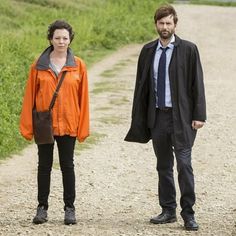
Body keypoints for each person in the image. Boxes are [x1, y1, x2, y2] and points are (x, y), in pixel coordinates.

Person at [125, 5, 206, 231]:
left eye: (169, 23)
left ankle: (188, 214)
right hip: (158, 117)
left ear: (175, 25)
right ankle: (168, 210)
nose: (165, 27)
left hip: (182, 118)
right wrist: (140, 118)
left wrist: (199, 115)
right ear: (156, 25)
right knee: (163, 166)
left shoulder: (189, 50)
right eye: (161, 23)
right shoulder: (148, 51)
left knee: (184, 165)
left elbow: (197, 83)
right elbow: (141, 87)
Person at [20, 20, 89, 225]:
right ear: (50, 39)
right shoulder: (38, 65)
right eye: (57, 37)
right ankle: (42, 208)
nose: (61, 41)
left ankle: (70, 209)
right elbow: (29, 97)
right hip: (45, 124)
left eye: (65, 38)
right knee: (44, 166)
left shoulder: (78, 65)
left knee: (68, 166)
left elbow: (83, 99)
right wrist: (27, 126)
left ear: (70, 40)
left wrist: (82, 126)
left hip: (69, 123)